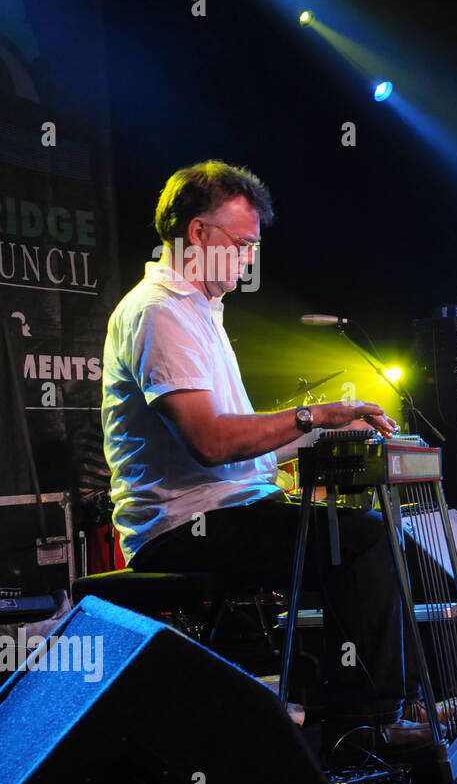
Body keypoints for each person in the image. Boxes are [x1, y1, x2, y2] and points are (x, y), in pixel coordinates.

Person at [101, 160, 423, 745]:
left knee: (349, 533)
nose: (251, 258)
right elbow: (212, 443)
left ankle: (319, 705)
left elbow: (241, 444)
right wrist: (314, 415)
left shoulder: (200, 309)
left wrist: (335, 432)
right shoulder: (159, 312)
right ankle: (364, 728)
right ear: (197, 234)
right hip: (183, 523)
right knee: (365, 539)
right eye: (242, 242)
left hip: (227, 508)